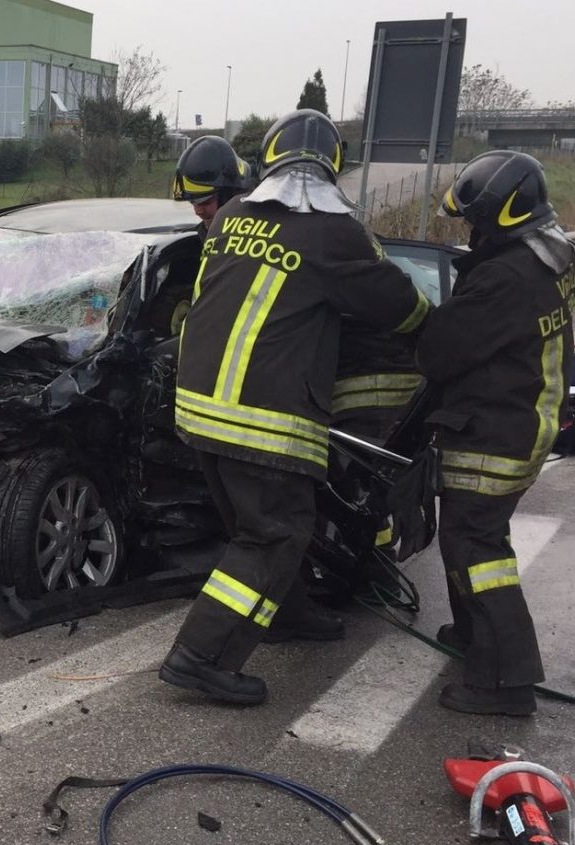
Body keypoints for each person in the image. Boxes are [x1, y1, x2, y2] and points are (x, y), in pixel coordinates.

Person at [158, 110, 432, 705]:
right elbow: (400, 306)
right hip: (262, 416)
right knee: (275, 534)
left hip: (199, 405)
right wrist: (432, 328)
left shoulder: (231, 215)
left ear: (267, 161)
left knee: (254, 528)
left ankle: (287, 614)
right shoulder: (335, 232)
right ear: (334, 166)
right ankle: (199, 657)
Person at [420, 150, 575, 716]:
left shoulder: (502, 277)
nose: (470, 232)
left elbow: (438, 352)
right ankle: (475, 637)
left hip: (495, 432)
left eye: (475, 222)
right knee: (471, 538)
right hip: (524, 423)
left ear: (501, 217)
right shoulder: (545, 259)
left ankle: (507, 682)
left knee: (476, 549)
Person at [172, 136, 255, 234]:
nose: (198, 211)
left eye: (205, 202)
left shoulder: (255, 236)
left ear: (230, 196)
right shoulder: (199, 235)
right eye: (192, 202)